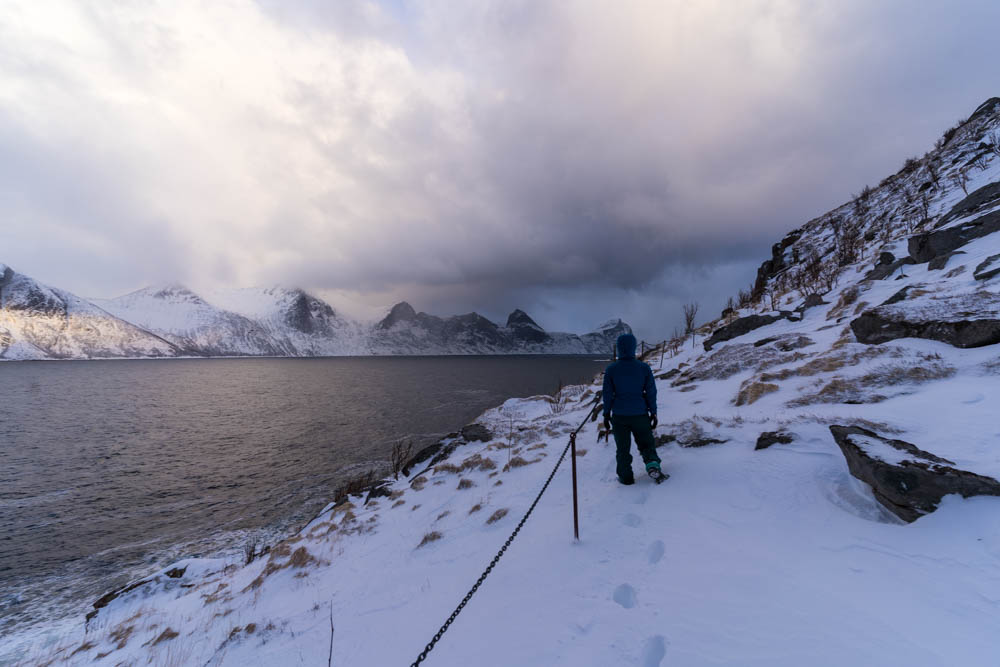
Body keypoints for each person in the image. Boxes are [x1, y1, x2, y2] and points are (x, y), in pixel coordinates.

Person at [602, 333, 663, 485]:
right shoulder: (644, 368)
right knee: (646, 444)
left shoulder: (611, 369)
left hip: (619, 416)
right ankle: (653, 465)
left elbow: (607, 394)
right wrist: (653, 412)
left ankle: (626, 477)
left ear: (619, 348)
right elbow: (651, 392)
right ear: (633, 347)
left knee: (622, 449)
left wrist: (606, 414)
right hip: (640, 414)